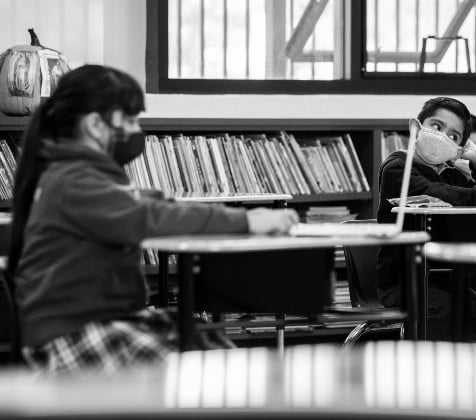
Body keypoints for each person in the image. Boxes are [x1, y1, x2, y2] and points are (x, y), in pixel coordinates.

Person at [8, 65, 299, 375]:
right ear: (95, 124)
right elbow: (146, 216)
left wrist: (152, 199)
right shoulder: (74, 181)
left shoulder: (77, 174)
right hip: (71, 333)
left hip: (97, 320)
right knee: (204, 377)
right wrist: (248, 220)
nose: (136, 131)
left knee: (210, 350)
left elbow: (135, 204)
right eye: (130, 120)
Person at [376, 97, 476, 341]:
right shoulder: (397, 168)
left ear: (459, 147)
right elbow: (432, 191)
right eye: (436, 126)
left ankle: (466, 372)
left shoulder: (450, 174)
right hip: (404, 282)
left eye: (453, 136)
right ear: (416, 126)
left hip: (449, 279)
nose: (441, 136)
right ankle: (433, 370)